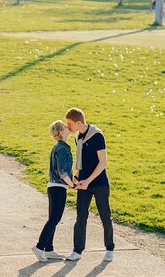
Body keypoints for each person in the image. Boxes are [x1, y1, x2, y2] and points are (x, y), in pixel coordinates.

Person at [64, 108, 115, 262]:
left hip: (99, 183)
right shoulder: (78, 137)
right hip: (83, 183)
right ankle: (77, 250)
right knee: (81, 216)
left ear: (79, 122)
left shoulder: (97, 136)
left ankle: (110, 248)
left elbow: (103, 162)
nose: (68, 127)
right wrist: (76, 177)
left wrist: (88, 181)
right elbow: (81, 162)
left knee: (105, 216)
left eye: (70, 123)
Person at [32, 120, 76, 262]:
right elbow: (62, 172)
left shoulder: (58, 147)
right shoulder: (62, 149)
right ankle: (39, 247)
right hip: (58, 187)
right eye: (64, 126)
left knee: (53, 219)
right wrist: (72, 185)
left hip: (54, 186)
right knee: (54, 219)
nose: (67, 127)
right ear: (60, 132)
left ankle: (49, 249)